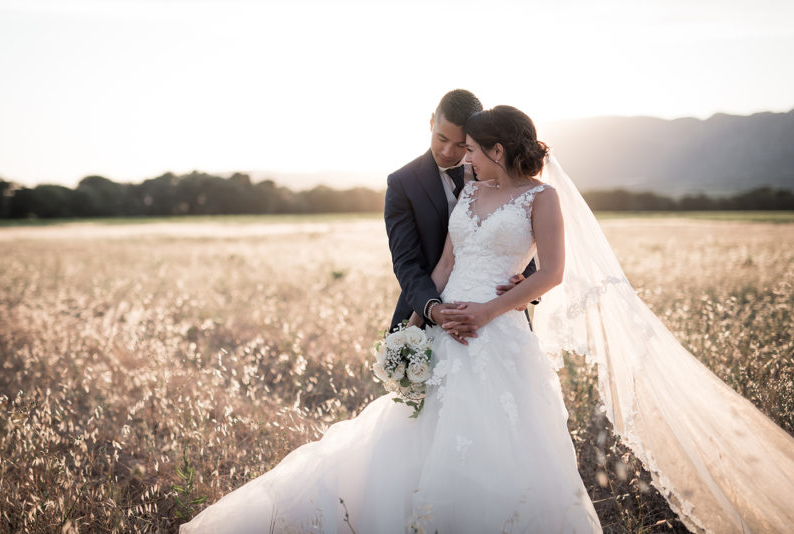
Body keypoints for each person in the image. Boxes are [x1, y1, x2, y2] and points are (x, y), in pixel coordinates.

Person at [179, 105, 604, 533]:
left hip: (497, 335)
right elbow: (445, 265)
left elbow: (552, 272)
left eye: (471, 149)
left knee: (498, 441)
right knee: (415, 434)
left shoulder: (542, 197)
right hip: (443, 331)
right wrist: (413, 328)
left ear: (497, 150)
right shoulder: (471, 192)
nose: (464, 157)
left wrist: (490, 310)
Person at [384, 89, 536, 338]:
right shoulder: (402, 183)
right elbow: (406, 262)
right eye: (441, 138)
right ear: (431, 122)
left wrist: (526, 283)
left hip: (500, 316)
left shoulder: (498, 172)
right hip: (423, 312)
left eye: (461, 145)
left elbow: (522, 229)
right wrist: (432, 309)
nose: (447, 152)